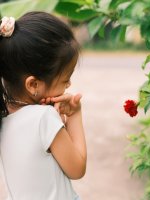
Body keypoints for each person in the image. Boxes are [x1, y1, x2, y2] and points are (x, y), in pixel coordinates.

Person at [0, 11, 87, 200]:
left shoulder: (4, 118)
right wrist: (74, 115)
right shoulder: (43, 118)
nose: (69, 85)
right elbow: (77, 168)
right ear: (33, 85)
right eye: (65, 79)